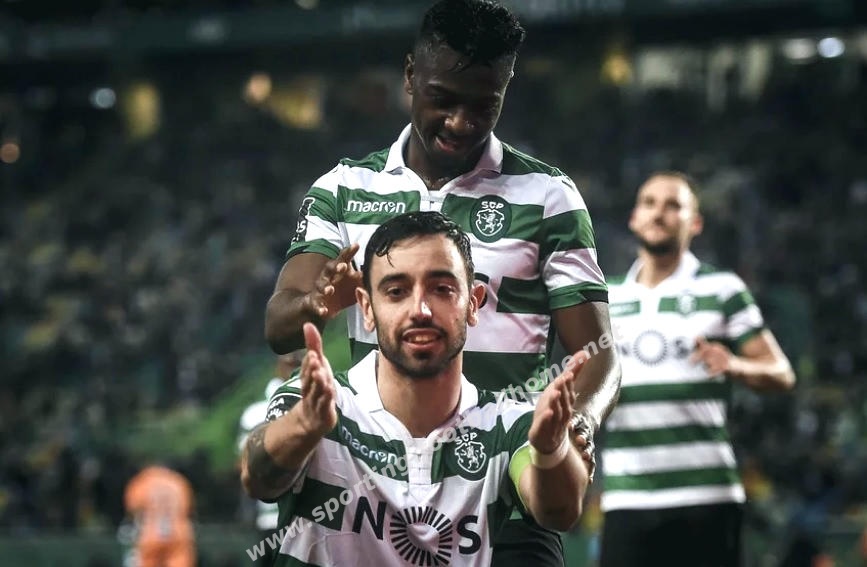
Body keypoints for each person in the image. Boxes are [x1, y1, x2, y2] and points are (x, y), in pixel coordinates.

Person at [264, 1, 621, 563]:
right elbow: (279, 327)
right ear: (410, 76)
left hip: (506, 489)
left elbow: (598, 350)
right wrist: (316, 302)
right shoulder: (344, 189)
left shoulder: (549, 198)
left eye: (483, 105)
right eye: (443, 99)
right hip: (378, 493)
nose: (460, 122)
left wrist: (580, 422)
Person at [242, 212, 593, 566]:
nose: (421, 310)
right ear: (367, 308)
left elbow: (558, 512)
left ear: (473, 303)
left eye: (442, 289)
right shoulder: (319, 402)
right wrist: (304, 426)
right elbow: (258, 479)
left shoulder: (508, 424)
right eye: (397, 292)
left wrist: (549, 450)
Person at [599, 171, 796, 566]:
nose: (659, 213)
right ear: (634, 218)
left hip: (706, 497)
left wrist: (735, 364)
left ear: (696, 223)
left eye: (674, 205)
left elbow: (781, 373)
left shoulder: (722, 289)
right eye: (649, 203)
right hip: (626, 496)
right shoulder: (605, 297)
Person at [123, 463, 196, 567]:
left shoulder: (142, 481)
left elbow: (133, 509)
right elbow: (187, 508)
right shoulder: (178, 481)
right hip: (178, 533)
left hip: (151, 533)